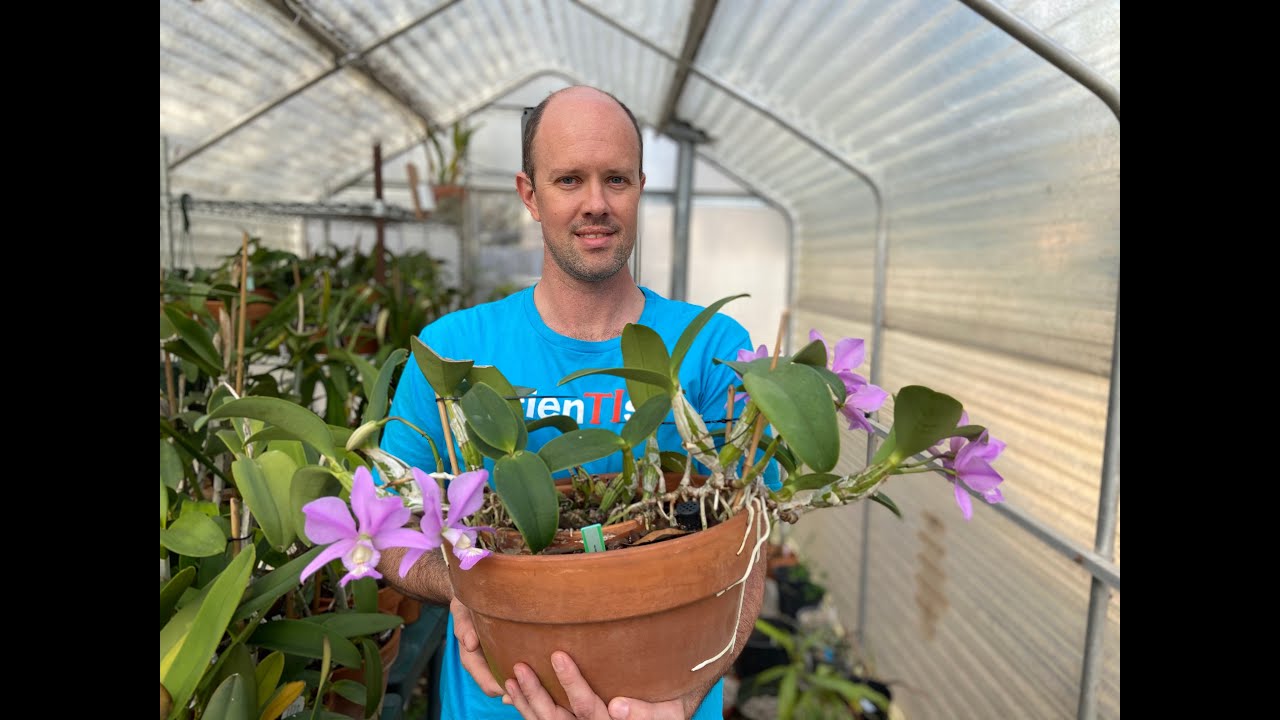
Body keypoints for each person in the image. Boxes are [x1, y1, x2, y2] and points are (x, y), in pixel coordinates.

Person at [377, 85, 766, 720]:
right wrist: (470, 583)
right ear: (529, 194)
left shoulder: (714, 348)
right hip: (493, 702)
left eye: (615, 179)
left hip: (661, 703)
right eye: (568, 180)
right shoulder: (453, 354)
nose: (596, 204)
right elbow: (390, 527)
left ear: (641, 186)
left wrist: (691, 695)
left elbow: (750, 540)